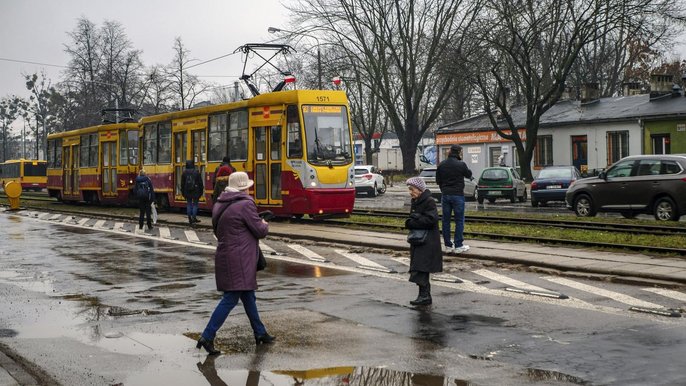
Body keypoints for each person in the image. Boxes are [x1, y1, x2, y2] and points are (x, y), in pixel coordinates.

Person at [196, 172, 275, 355]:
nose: (249, 189)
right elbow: (260, 230)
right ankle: (207, 336)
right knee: (230, 298)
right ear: (243, 187)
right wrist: (264, 222)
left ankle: (260, 333)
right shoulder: (246, 203)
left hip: (227, 255)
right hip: (240, 259)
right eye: (247, 186)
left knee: (248, 296)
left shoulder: (220, 204)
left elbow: (223, 228)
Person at [404, 177, 442, 306]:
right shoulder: (416, 200)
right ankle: (424, 295)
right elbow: (413, 219)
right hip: (419, 240)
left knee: (422, 268)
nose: (410, 192)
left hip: (427, 241)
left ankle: (425, 296)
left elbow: (431, 220)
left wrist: (414, 221)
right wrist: (411, 221)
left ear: (419, 189)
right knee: (419, 268)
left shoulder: (429, 201)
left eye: (412, 189)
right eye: (409, 189)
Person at [436, 144, 473, 254]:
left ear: (450, 152)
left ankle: (448, 245)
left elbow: (438, 180)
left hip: (446, 195)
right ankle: (458, 245)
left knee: (445, 221)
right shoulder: (461, 164)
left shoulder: (441, 165)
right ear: (459, 153)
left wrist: (444, 190)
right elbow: (468, 174)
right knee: (459, 220)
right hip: (458, 195)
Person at [181, 159, 204, 224]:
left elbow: (182, 184)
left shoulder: (184, 173)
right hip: (195, 190)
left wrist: (183, 192)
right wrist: (201, 191)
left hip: (187, 191)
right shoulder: (196, 172)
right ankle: (194, 217)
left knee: (189, 203)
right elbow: (200, 183)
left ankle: (189, 218)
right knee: (195, 204)